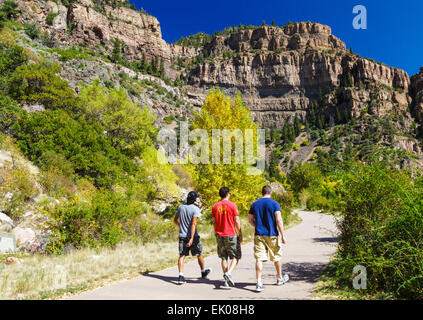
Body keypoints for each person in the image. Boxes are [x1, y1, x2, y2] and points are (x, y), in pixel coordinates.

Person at [248, 185, 289, 292]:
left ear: (262, 193)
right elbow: (279, 220)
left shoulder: (255, 204)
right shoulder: (274, 204)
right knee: (276, 256)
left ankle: (259, 282)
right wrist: (283, 235)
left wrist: (257, 226)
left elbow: (250, 220)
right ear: (270, 193)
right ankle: (279, 278)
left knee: (259, 258)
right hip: (272, 234)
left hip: (259, 234)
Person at [173, 191, 212, 285]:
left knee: (182, 255)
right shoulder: (195, 209)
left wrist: (181, 227)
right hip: (193, 236)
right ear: (194, 199)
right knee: (199, 253)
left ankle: (181, 276)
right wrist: (191, 238)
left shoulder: (181, 207)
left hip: (182, 235)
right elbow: (194, 224)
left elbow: (175, 220)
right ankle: (203, 272)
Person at [211, 187, 242, 288]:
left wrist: (216, 232)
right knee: (235, 256)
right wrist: (240, 233)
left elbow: (214, 222)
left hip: (220, 235)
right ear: (228, 194)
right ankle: (229, 273)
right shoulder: (232, 205)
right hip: (231, 234)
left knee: (224, 257)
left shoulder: (215, 206)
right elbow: (236, 220)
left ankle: (226, 281)